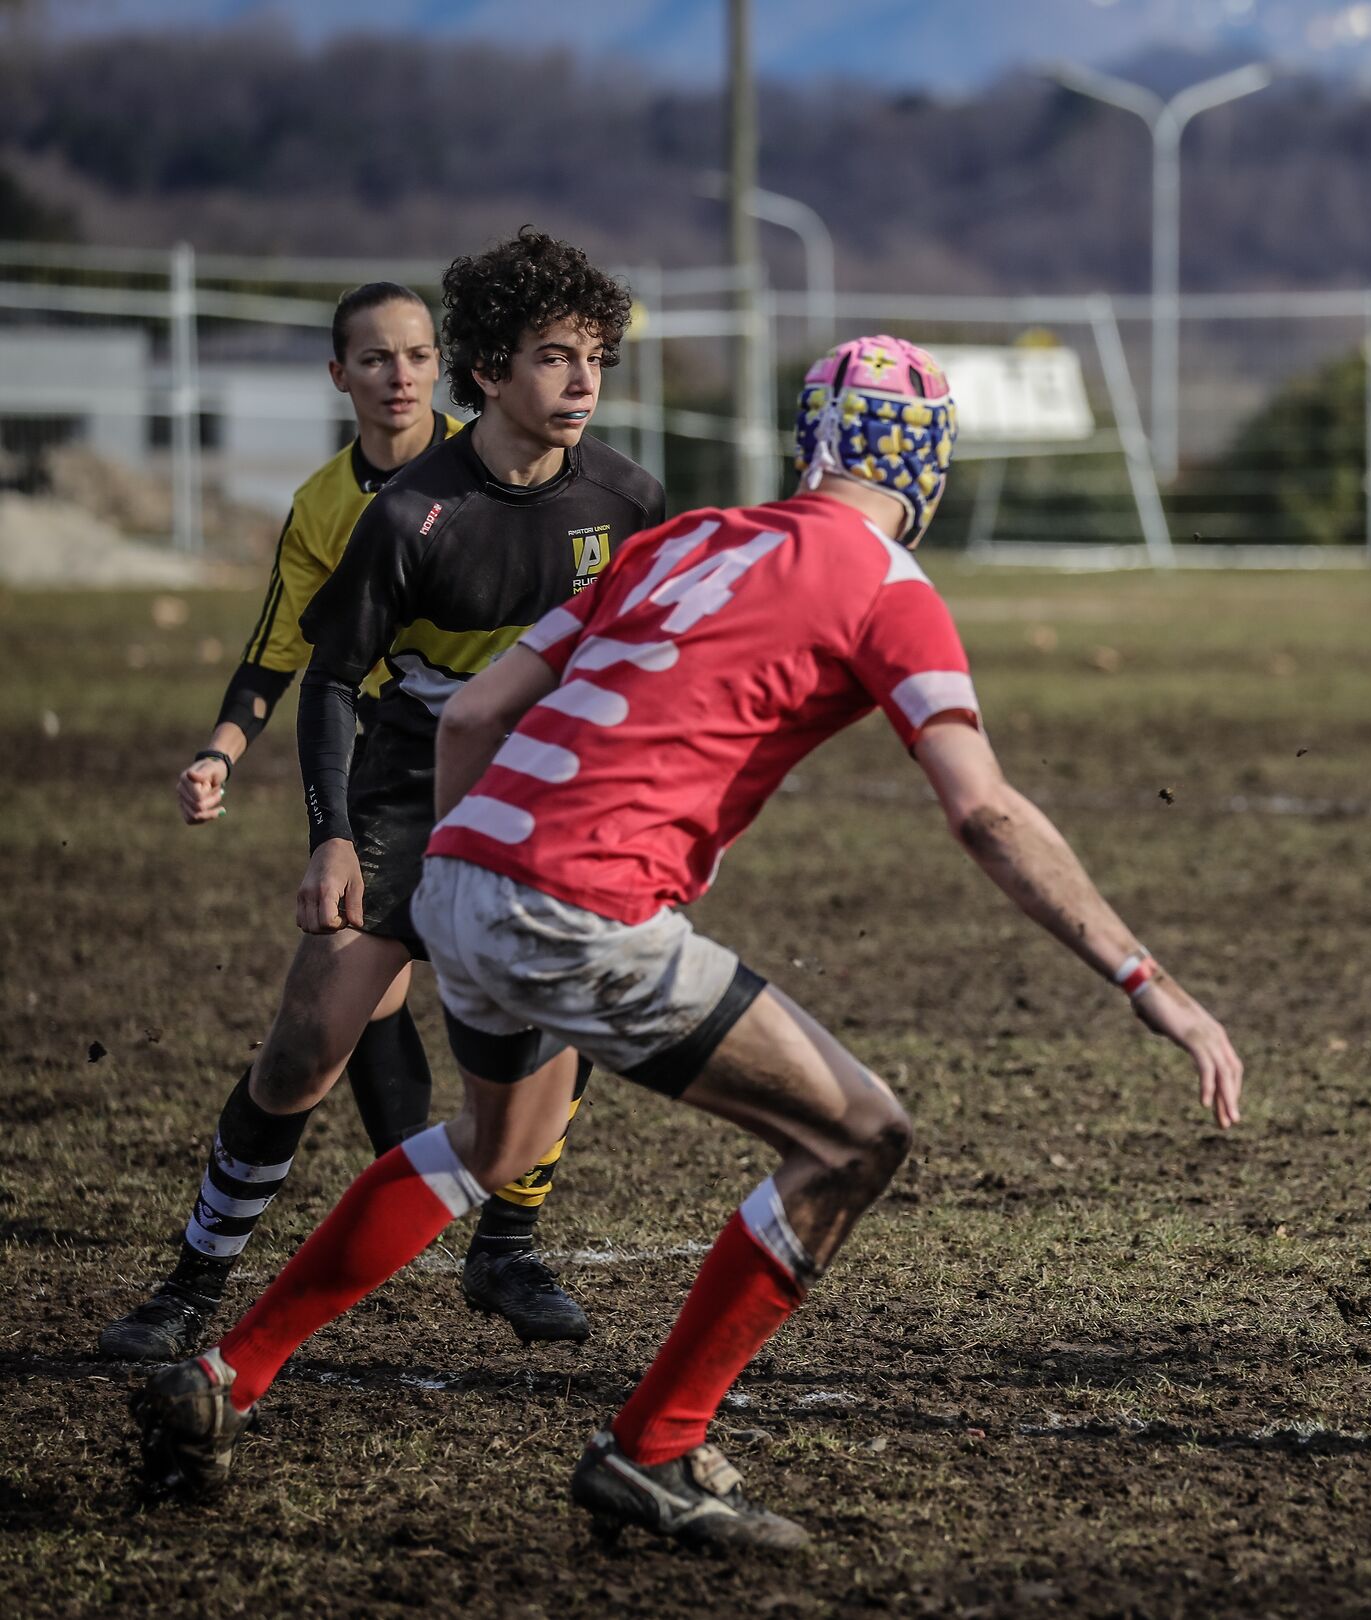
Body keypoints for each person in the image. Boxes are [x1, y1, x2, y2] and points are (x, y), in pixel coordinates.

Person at [131, 334, 1244, 1551]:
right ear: (928, 466)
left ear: (810, 444)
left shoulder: (687, 538)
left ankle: (228, 1373)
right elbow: (985, 811)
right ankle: (655, 1449)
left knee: (498, 1142)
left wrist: (462, 868)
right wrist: (1149, 982)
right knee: (857, 1137)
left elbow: (477, 711)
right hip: (578, 906)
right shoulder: (890, 585)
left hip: (466, 869)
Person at [103, 233, 663, 1361]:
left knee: (565, 1009)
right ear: (489, 371)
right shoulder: (407, 515)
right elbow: (329, 683)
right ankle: (192, 1285)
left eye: (595, 358)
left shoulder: (628, 497)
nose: (583, 381)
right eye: (554, 357)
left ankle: (507, 1247)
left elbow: (645, 666)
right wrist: (332, 839)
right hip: (408, 788)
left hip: (547, 796)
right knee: (307, 1045)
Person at [171, 281, 458, 1163]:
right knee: (361, 981)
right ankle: (408, 1175)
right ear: (340, 374)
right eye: (375, 358)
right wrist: (219, 753)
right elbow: (275, 653)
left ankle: (491, 1186)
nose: (399, 376)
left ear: (440, 365)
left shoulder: (486, 468)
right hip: (382, 761)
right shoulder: (322, 504)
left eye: (416, 355)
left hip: (498, 753)